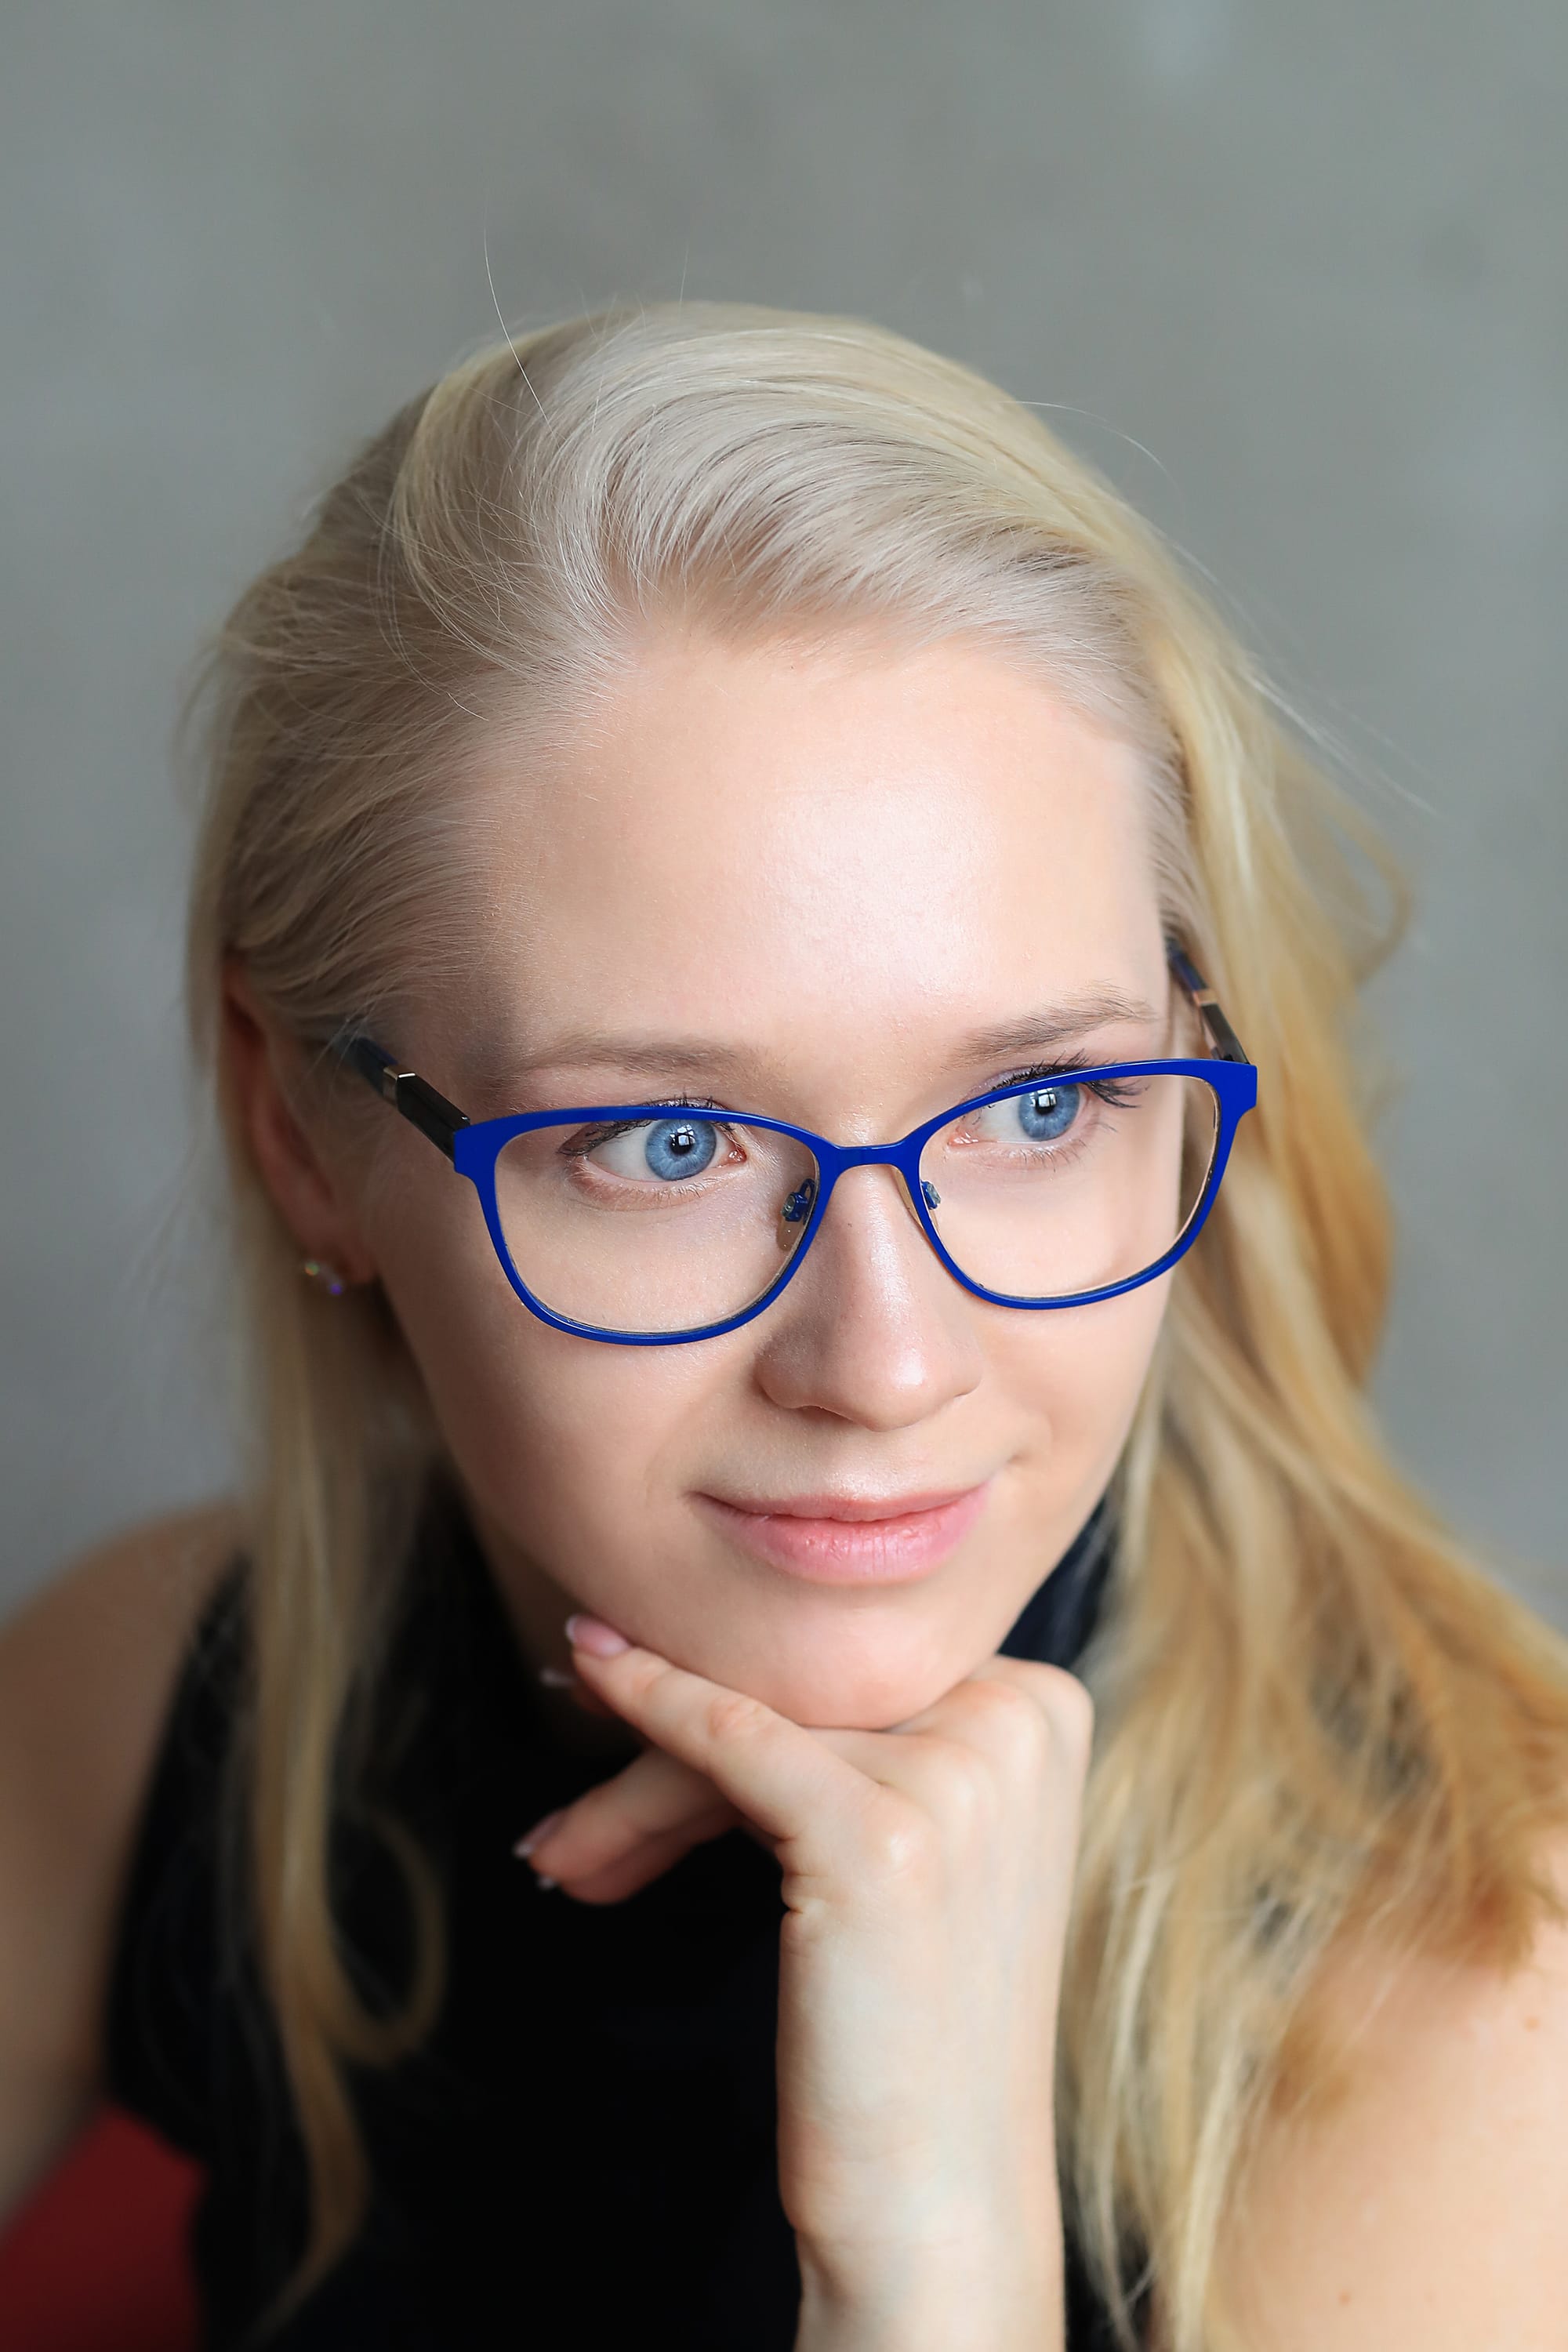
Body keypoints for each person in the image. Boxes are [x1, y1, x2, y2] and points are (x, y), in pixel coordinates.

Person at [2, 299, 1566, 2352]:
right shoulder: (177, 1714)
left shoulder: (1481, 2005)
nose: (889, 1362)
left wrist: (928, 2281)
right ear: (298, 1128)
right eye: (665, 1143)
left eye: (1036, 1107)